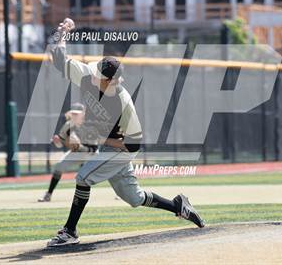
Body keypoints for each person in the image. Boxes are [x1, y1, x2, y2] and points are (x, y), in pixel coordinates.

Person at [47, 19, 204, 247]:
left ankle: (69, 230)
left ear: (111, 80)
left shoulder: (122, 103)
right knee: (134, 198)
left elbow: (132, 144)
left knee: (83, 178)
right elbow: (59, 61)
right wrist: (62, 33)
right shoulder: (88, 75)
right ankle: (178, 205)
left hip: (122, 149)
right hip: (109, 145)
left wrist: (99, 139)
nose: (93, 76)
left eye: (99, 76)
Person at [38, 102, 97, 202]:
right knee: (59, 167)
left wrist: (80, 146)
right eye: (73, 113)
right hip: (76, 153)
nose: (74, 115)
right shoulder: (68, 125)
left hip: (91, 154)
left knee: (107, 168)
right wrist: (57, 142)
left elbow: (94, 149)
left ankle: (119, 192)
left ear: (83, 114)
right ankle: (48, 194)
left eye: (76, 113)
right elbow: (60, 144)